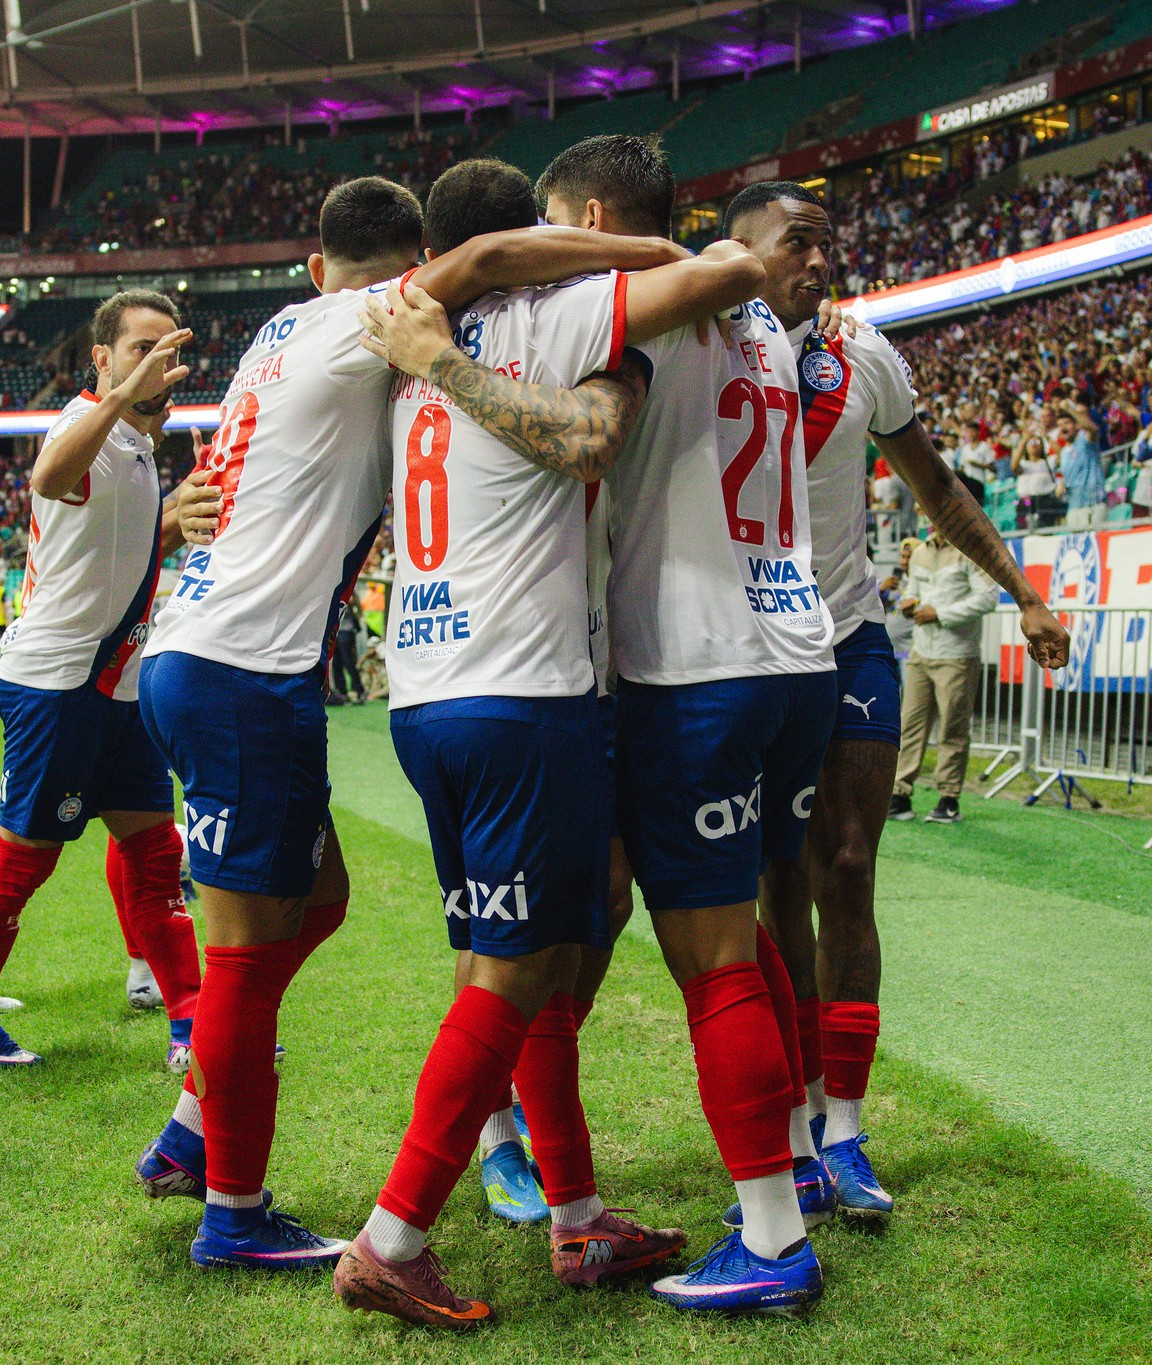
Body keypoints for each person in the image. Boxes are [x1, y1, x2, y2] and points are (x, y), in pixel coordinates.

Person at [133, 176, 696, 1277]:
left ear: (312, 264)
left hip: (211, 651)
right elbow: (482, 265)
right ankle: (231, 1212)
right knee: (243, 962)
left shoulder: (280, 332)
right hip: (252, 669)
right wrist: (632, 251)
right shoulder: (370, 321)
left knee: (323, 899)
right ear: (403, 276)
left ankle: (195, 1133)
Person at [332, 156, 763, 1328]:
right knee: (517, 973)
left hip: (424, 693)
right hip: (524, 694)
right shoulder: (543, 317)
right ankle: (393, 1236)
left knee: (536, 959)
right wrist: (650, 259)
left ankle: (575, 1217)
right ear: (537, 239)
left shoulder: (394, 358)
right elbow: (589, 439)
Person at [723, 181, 1068, 1230]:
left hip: (848, 636)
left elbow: (937, 488)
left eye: (827, 241)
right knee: (773, 881)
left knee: (847, 864)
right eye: (796, 242)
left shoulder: (862, 356)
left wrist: (1022, 592)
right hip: (744, 647)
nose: (818, 259)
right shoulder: (700, 341)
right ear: (738, 252)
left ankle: (846, 1127)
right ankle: (789, 1124)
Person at [530, 133, 832, 1316]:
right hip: (791, 653)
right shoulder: (770, 327)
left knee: (707, 960)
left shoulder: (657, 301)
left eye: (562, 229)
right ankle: (797, 1158)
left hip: (698, 664)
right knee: (742, 932)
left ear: (594, 219)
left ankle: (769, 1239)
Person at [0, 288, 211, 1080]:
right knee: (28, 853)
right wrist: (125, 394)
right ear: (102, 358)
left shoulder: (136, 444)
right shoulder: (84, 422)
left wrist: (175, 512)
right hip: (57, 680)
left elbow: (108, 547)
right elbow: (50, 475)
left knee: (156, 854)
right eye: (137, 348)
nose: (158, 362)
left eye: (169, 349)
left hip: (116, 684)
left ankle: (190, 1021)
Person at [889, 526, 1001, 824]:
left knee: (952, 727)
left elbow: (989, 598)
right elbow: (913, 590)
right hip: (921, 651)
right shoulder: (920, 552)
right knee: (910, 724)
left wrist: (939, 613)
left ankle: (948, 798)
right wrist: (908, 603)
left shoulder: (971, 551)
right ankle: (899, 793)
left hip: (957, 653)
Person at [1054, 403, 1105, 528]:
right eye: (1059, 425)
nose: (1063, 428)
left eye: (1066, 423)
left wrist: (1070, 409)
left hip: (1094, 504)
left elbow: (1092, 428)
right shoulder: (1064, 452)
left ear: (1077, 426)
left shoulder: (1086, 441)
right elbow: (1063, 474)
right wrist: (1060, 484)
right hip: (1074, 506)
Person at [328, 599, 363, 705]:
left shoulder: (347, 587)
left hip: (346, 630)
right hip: (335, 631)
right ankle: (342, 692)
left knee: (347, 661)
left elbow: (352, 602)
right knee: (336, 662)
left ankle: (358, 690)